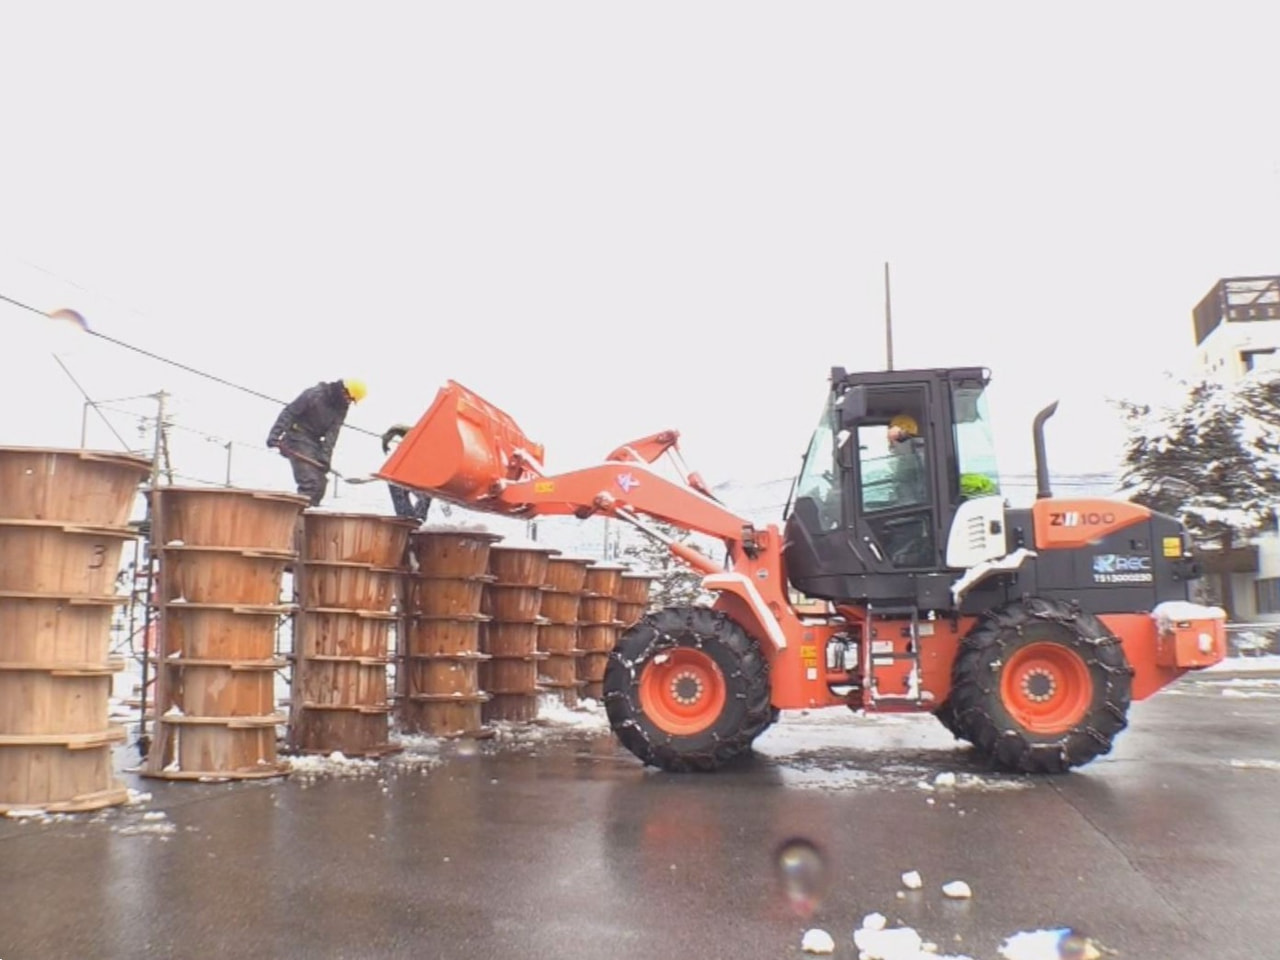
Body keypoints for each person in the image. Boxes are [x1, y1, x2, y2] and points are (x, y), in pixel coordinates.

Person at [267, 378, 367, 506]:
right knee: (310, 483)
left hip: (314, 442)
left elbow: (332, 435)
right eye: (349, 398)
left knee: (320, 484)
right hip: (296, 437)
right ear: (343, 391)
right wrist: (275, 434)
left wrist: (325, 459)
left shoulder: (341, 408)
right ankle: (295, 519)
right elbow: (289, 412)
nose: (349, 402)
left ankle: (306, 518)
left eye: (352, 401)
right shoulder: (314, 394)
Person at [381, 423, 431, 521]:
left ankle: (414, 521)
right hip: (406, 473)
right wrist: (392, 431)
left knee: (425, 496)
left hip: (426, 475)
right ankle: (407, 521)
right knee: (395, 483)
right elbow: (412, 431)